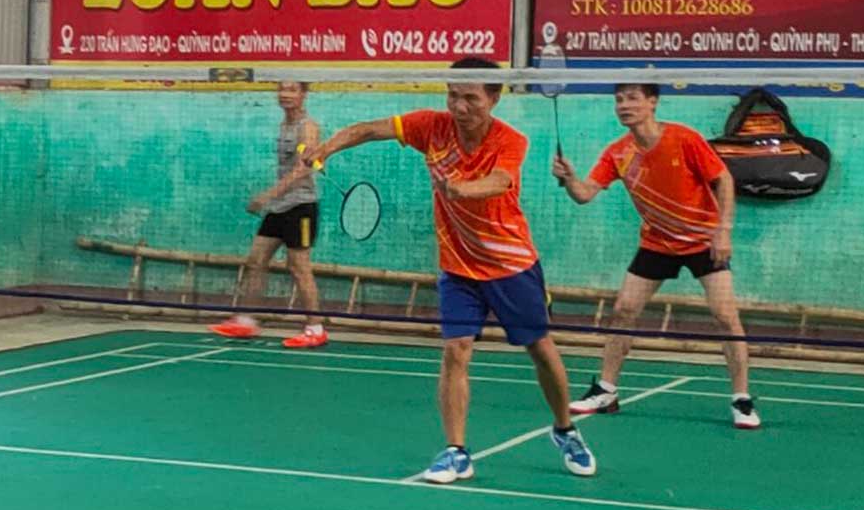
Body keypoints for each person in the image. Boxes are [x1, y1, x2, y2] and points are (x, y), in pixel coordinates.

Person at [287, 58, 596, 484]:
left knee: (540, 348)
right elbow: (370, 129)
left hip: (510, 263)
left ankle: (565, 429)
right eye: (453, 95)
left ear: (494, 98)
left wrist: (461, 189)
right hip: (458, 265)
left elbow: (501, 181)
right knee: (456, 350)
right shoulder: (431, 127)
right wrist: (326, 149)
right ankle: (456, 451)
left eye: (471, 98)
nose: (459, 106)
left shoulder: (510, 140)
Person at [553, 82, 760, 430]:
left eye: (632, 98)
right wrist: (570, 178)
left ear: (653, 102)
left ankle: (742, 398)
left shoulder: (684, 138)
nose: (624, 105)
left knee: (725, 315)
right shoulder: (618, 153)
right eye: (619, 99)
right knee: (623, 310)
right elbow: (585, 194)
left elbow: (723, 179)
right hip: (657, 242)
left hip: (703, 240)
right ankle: (606, 391)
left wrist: (723, 230)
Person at [212, 80, 328, 349]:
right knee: (256, 260)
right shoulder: (284, 125)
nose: (285, 94)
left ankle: (315, 328)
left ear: (304, 94)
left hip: (301, 207)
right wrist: (274, 199)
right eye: (281, 89)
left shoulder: (308, 128)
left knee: (298, 267)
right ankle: (246, 321)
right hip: (279, 207)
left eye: (292, 90)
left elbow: (303, 169)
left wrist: (268, 195)